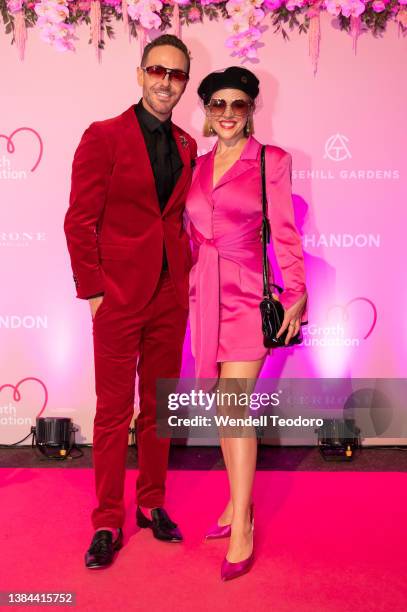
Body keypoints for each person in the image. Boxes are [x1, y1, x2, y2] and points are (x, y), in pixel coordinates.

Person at [64, 34, 197, 569]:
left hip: (171, 295)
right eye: (158, 70)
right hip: (117, 296)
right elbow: (79, 220)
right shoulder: (104, 136)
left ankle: (153, 503)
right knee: (113, 413)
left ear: (184, 83)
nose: (167, 81)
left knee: (160, 408)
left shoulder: (188, 144)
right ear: (141, 74)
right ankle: (106, 519)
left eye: (177, 74)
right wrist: (93, 290)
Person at [184, 66, 308, 581]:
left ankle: (243, 526)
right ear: (208, 111)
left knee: (236, 407)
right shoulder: (198, 163)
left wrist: (296, 289)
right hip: (204, 291)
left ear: (251, 109)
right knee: (224, 406)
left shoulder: (271, 161)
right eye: (218, 105)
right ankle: (238, 505)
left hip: (245, 294)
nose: (228, 113)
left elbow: (284, 229)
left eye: (238, 104)